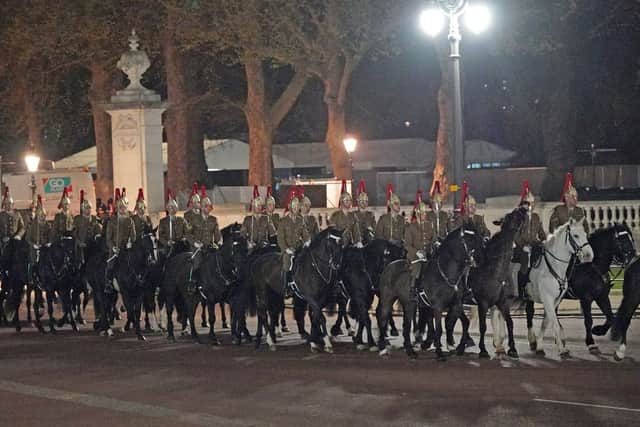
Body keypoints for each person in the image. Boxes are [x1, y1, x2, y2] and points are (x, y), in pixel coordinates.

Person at [513, 181, 546, 298]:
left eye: (532, 203)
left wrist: (546, 241)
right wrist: (522, 245)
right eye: (527, 203)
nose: (530, 205)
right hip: (521, 248)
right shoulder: (519, 217)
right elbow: (516, 235)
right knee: (525, 262)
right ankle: (523, 288)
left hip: (534, 245)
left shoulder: (536, 217)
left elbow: (541, 233)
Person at [105, 188, 136, 293]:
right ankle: (108, 283)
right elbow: (108, 238)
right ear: (118, 208)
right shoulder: (112, 221)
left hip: (126, 249)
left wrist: (130, 242)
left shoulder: (130, 221)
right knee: (111, 265)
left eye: (124, 207)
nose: (123, 209)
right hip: (115, 250)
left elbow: (133, 236)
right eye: (121, 207)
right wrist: (113, 247)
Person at [277, 188, 308, 294]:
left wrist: (308, 240)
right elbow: (280, 238)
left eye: (297, 207)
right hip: (287, 250)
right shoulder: (283, 221)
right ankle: (287, 285)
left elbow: (305, 233)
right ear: (290, 207)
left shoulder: (300, 220)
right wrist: (286, 249)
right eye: (293, 207)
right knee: (287, 262)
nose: (295, 209)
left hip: (298, 247)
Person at [405, 194, 435, 299]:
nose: (424, 215)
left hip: (428, 253)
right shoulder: (411, 227)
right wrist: (417, 252)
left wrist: (435, 244)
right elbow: (407, 244)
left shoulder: (429, 225)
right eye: (422, 213)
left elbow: (432, 238)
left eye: (425, 213)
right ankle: (413, 289)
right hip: (415, 256)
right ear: (417, 214)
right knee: (417, 267)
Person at [73, 190, 102, 267]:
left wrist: (98, 234)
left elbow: (99, 232)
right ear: (82, 209)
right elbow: (75, 233)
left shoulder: (94, 219)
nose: (88, 210)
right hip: (80, 246)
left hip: (92, 246)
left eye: (89, 208)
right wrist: (79, 242)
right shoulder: (78, 219)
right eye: (86, 208)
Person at [25, 195, 51, 276]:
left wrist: (49, 242)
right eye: (41, 215)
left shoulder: (48, 225)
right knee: (32, 264)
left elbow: (51, 236)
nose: (42, 217)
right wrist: (33, 245)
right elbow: (27, 238)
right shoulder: (33, 225)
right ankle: (30, 279)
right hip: (35, 249)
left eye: (44, 215)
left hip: (45, 248)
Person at [329, 180, 360, 247]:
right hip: (337, 245)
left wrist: (358, 242)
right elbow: (331, 231)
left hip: (350, 245)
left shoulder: (353, 216)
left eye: (350, 200)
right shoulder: (335, 216)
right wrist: (337, 240)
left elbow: (356, 232)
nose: (349, 202)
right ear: (342, 201)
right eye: (346, 200)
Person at [158, 189, 188, 256]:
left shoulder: (182, 220)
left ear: (176, 209)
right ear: (167, 209)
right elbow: (161, 236)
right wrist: (167, 242)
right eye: (170, 207)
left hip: (180, 247)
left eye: (173, 207)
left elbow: (187, 232)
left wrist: (183, 239)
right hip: (168, 247)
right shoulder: (163, 222)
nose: (171, 209)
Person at [240, 185, 270, 250]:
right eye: (257, 205)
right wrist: (248, 243)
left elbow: (273, 233)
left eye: (260, 205)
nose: (259, 207)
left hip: (264, 247)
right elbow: (243, 234)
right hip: (252, 246)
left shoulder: (266, 218)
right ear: (253, 207)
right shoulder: (248, 219)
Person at [427, 181, 450, 247]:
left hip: (444, 242)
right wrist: (435, 241)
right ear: (432, 203)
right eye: (436, 202)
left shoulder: (444, 215)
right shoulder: (428, 215)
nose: (438, 205)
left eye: (440, 202)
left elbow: (449, 230)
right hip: (431, 242)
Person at [184, 183, 206, 250]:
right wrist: (194, 243)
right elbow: (187, 232)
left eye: (198, 202)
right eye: (195, 202)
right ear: (192, 203)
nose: (198, 204)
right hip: (194, 244)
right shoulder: (187, 215)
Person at [354, 179, 376, 244]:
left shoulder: (370, 215)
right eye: (362, 201)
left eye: (366, 201)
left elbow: (375, 228)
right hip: (356, 243)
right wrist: (357, 241)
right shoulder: (354, 214)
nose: (364, 203)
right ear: (358, 202)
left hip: (369, 241)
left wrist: (371, 229)